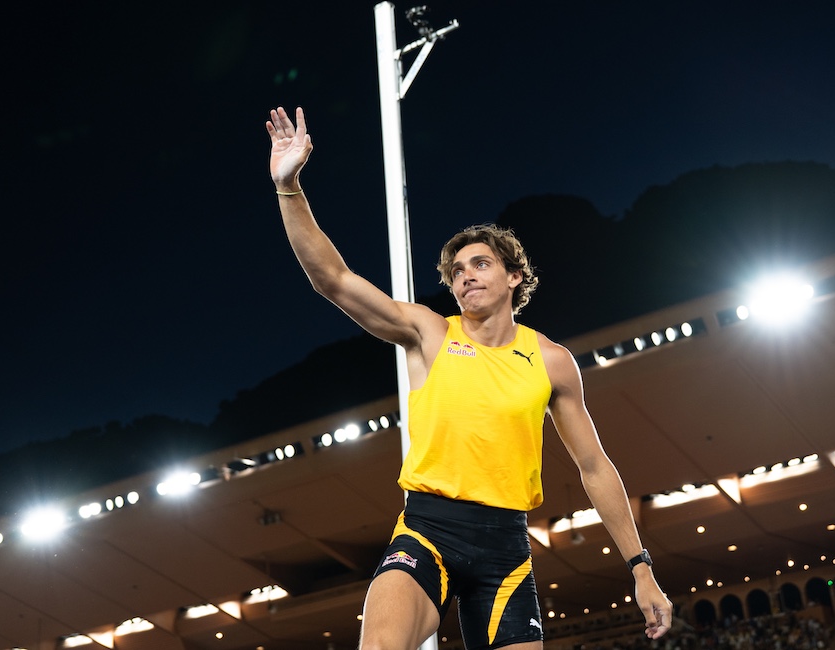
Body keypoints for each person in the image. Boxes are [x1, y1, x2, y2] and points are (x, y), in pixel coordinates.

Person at [266, 106, 671, 650]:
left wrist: (640, 567)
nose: (464, 275)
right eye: (456, 271)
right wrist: (289, 187)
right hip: (427, 530)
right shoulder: (429, 333)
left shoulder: (551, 361)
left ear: (514, 276)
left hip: (505, 548)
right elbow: (333, 280)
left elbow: (594, 466)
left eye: (478, 264)